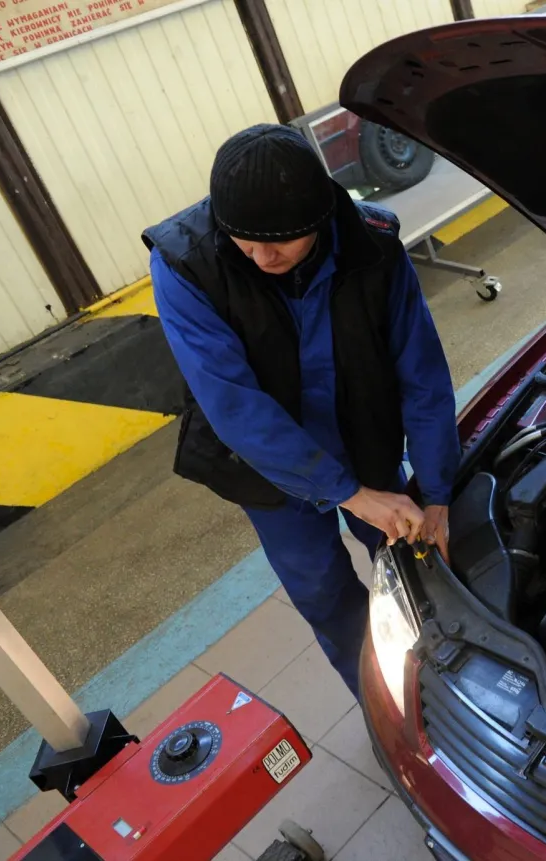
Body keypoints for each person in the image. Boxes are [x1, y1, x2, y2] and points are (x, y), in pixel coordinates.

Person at [144, 124, 460, 697]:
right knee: (323, 590)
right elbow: (235, 407)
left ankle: (451, 682)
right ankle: (383, 702)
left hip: (362, 437)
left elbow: (422, 374)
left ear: (319, 220)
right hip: (267, 467)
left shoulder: (373, 245)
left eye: (280, 243)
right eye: (244, 241)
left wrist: (437, 491)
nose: (262, 256)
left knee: (415, 555)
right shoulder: (184, 265)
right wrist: (352, 495)